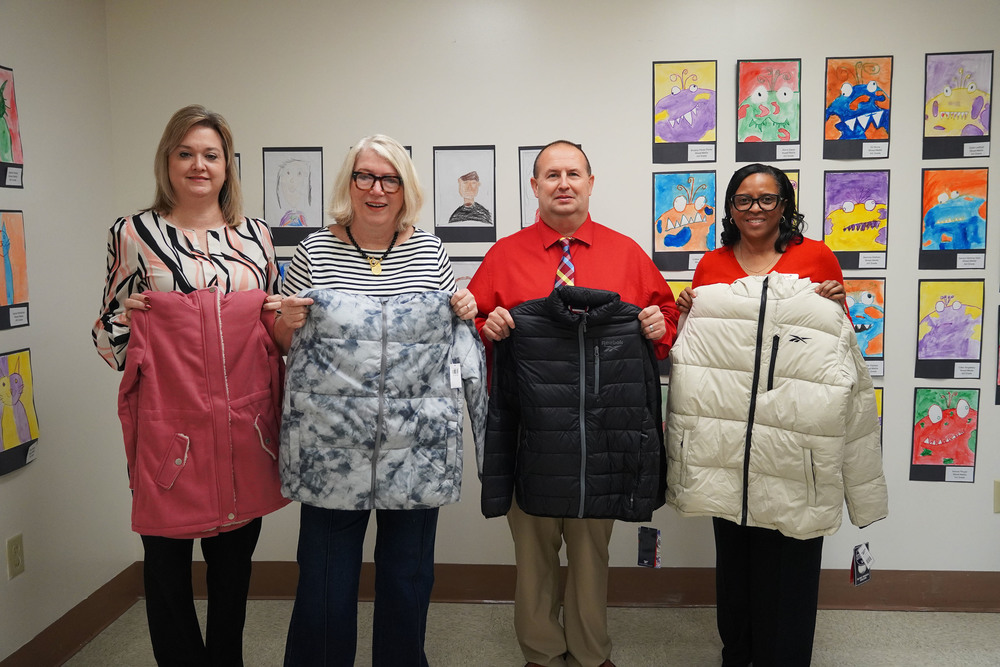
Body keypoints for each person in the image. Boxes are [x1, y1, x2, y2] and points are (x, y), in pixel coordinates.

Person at [468, 140, 679, 667]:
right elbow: (469, 323)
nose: (564, 183)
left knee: (591, 553)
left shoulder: (626, 252)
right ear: (535, 186)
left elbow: (664, 316)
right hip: (529, 432)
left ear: (590, 182)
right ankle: (540, 651)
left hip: (602, 438)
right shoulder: (503, 255)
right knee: (534, 553)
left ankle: (590, 651)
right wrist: (484, 325)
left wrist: (660, 326)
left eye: (574, 173)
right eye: (551, 174)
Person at [670, 163, 888, 666]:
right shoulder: (712, 267)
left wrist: (840, 302)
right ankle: (737, 653)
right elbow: (697, 351)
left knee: (790, 565)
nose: (755, 209)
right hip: (729, 449)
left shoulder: (815, 258)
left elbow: (838, 348)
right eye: (743, 200)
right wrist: (688, 309)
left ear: (785, 205)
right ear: (729, 209)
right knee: (736, 562)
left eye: (767, 199)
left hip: (794, 445)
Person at [276, 134, 482, 667]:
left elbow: (450, 337)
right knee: (324, 582)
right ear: (349, 183)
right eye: (364, 176)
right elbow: (282, 342)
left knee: (407, 580)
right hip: (330, 452)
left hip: (414, 448)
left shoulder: (430, 251)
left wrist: (463, 306)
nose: (376, 189)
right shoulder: (312, 251)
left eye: (389, 179)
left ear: (405, 189)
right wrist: (286, 321)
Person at [93, 104, 287, 666]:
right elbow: (106, 340)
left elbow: (268, 334)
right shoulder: (134, 234)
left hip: (242, 434)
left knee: (233, 577)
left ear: (228, 166)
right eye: (186, 153)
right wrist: (130, 322)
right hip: (170, 437)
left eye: (211, 155)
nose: (199, 165)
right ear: (167, 160)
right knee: (167, 576)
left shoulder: (257, 238)